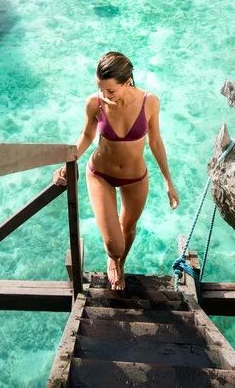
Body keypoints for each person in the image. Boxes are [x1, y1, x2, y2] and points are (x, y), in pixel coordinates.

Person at [53, 51, 179, 290]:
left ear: (127, 82)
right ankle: (113, 258)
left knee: (129, 228)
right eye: (101, 88)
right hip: (101, 175)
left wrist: (168, 181)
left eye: (110, 90)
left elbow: (155, 141)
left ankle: (120, 265)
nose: (104, 94)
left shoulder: (149, 101)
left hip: (135, 178)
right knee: (115, 245)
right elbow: (87, 135)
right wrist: (68, 163)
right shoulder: (95, 103)